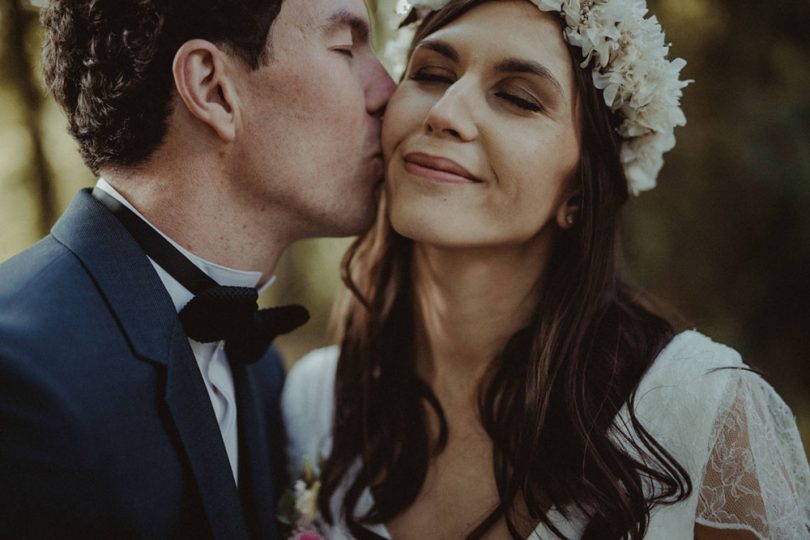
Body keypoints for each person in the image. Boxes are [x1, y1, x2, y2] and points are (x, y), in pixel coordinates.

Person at [281, 0, 810, 538]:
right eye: (432, 74)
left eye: (516, 98)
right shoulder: (316, 400)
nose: (445, 112)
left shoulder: (703, 415)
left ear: (579, 190)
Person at [0, 0, 394, 538]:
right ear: (213, 88)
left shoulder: (265, 373)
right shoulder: (17, 372)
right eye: (345, 49)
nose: (389, 92)